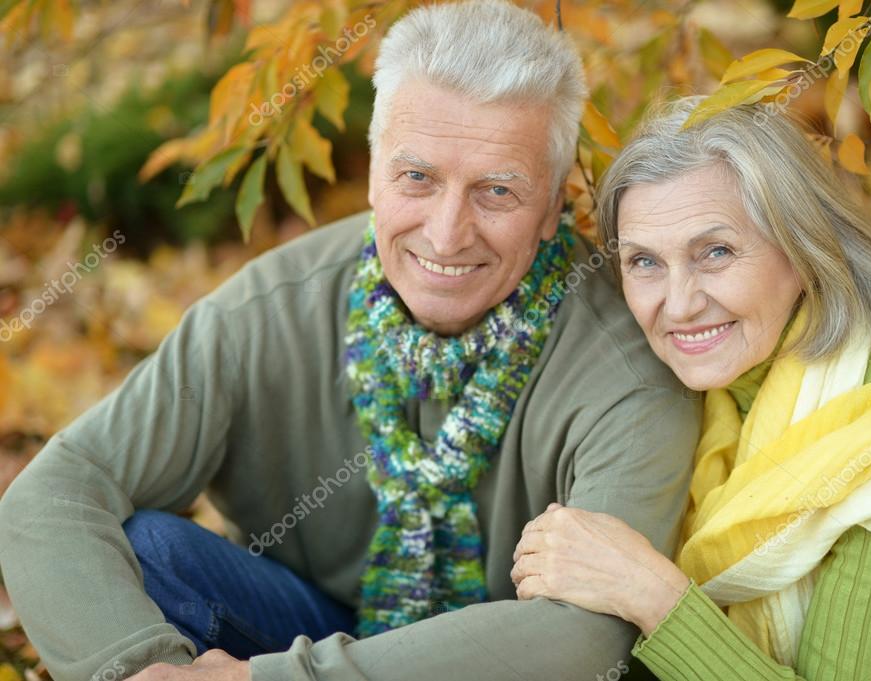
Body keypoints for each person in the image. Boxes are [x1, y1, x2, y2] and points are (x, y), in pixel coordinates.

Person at [0, 3, 701, 680]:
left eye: (496, 192)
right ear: (371, 177)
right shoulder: (270, 308)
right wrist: (137, 671)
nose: (446, 232)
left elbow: (582, 639)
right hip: (296, 625)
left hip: (501, 661)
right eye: (417, 178)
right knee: (146, 547)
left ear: (551, 209)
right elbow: (56, 494)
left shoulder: (628, 370)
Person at [510, 97, 871, 681]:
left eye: (718, 252)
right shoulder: (718, 391)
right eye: (644, 262)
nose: (678, 305)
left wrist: (651, 594)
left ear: (803, 248)